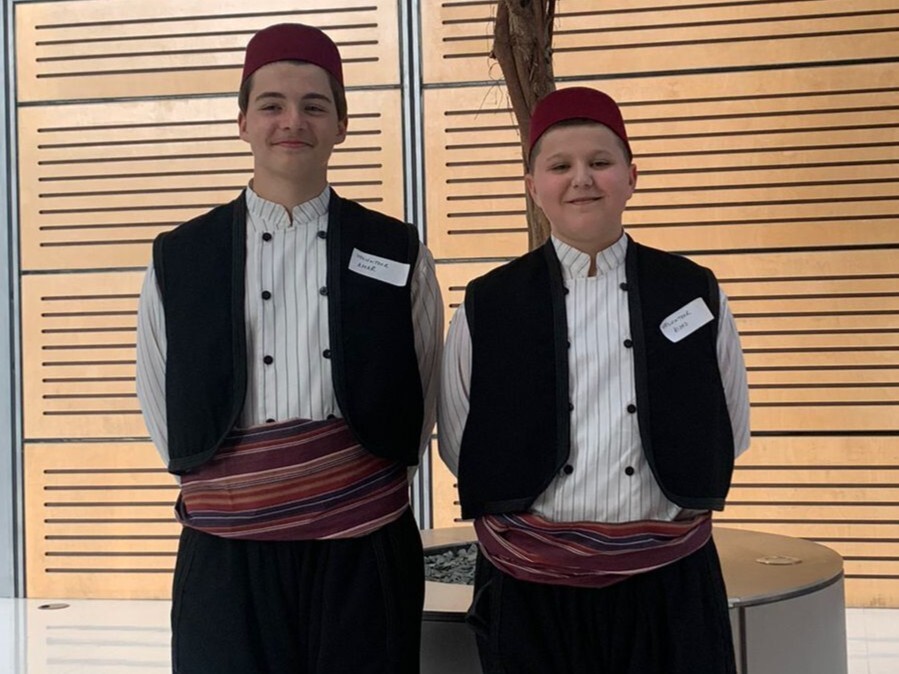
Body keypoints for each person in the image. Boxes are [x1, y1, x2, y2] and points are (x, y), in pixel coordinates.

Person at [136, 23, 443, 674]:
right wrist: (256, 489)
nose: (291, 121)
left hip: (364, 546)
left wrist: (333, 488)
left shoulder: (396, 249)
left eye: (314, 105)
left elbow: (422, 384)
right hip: (225, 556)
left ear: (341, 124)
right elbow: (160, 392)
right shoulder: (180, 255)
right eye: (271, 104)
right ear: (242, 121)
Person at [438, 86, 750, 673]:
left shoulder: (692, 289)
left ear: (632, 177)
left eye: (600, 163)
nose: (582, 178)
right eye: (560, 166)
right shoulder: (490, 301)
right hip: (529, 582)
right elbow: (460, 435)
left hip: (668, 578)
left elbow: (728, 419)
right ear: (534, 187)